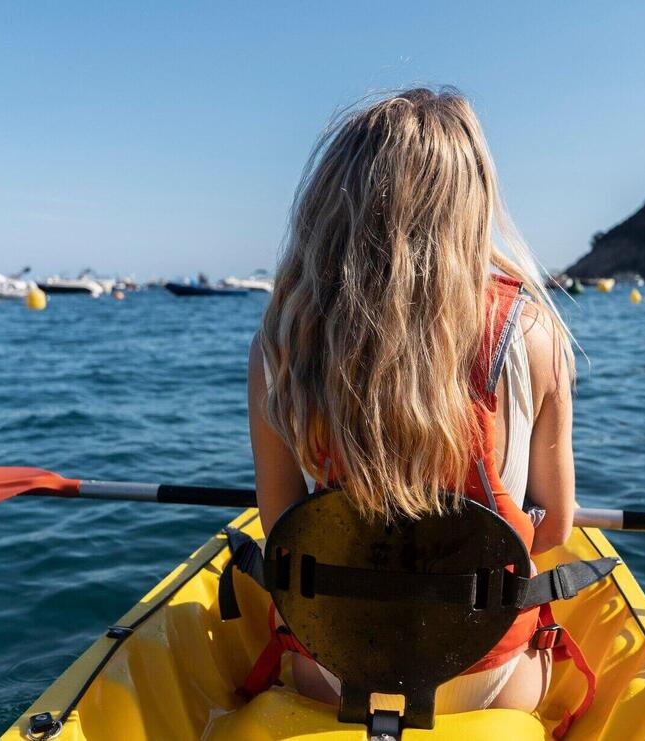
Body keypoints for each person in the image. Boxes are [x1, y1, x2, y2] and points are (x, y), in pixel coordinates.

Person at [247, 87, 576, 715]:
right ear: (473, 205)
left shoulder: (280, 342)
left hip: (337, 667)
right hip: (488, 678)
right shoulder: (533, 335)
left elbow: (279, 529)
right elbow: (555, 527)